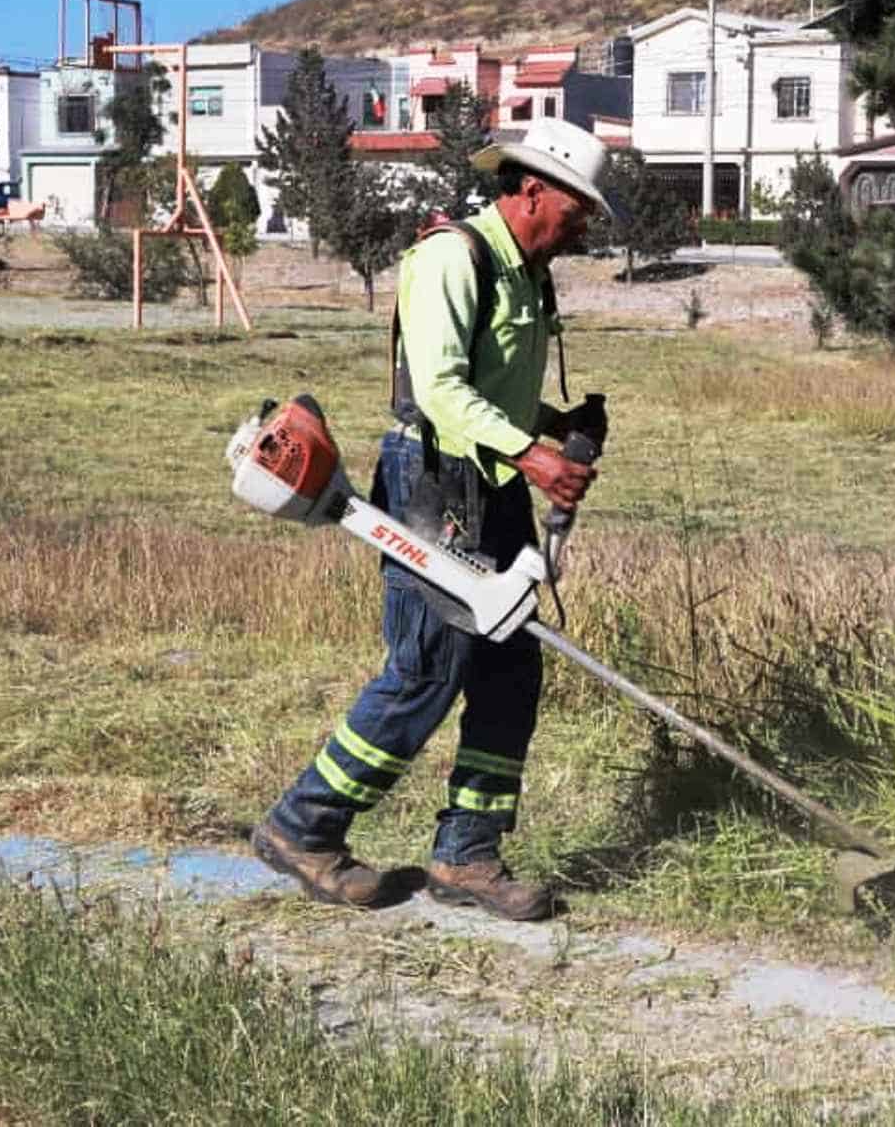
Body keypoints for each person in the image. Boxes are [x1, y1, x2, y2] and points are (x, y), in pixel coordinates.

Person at [252, 118, 624, 921]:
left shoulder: (529, 273)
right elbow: (443, 392)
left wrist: (551, 424)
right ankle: (303, 826)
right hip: (431, 484)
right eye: (578, 206)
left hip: (492, 484)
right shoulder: (451, 258)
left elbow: (490, 392)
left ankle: (468, 857)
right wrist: (534, 454)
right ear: (532, 191)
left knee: (509, 671)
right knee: (427, 667)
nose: (584, 223)